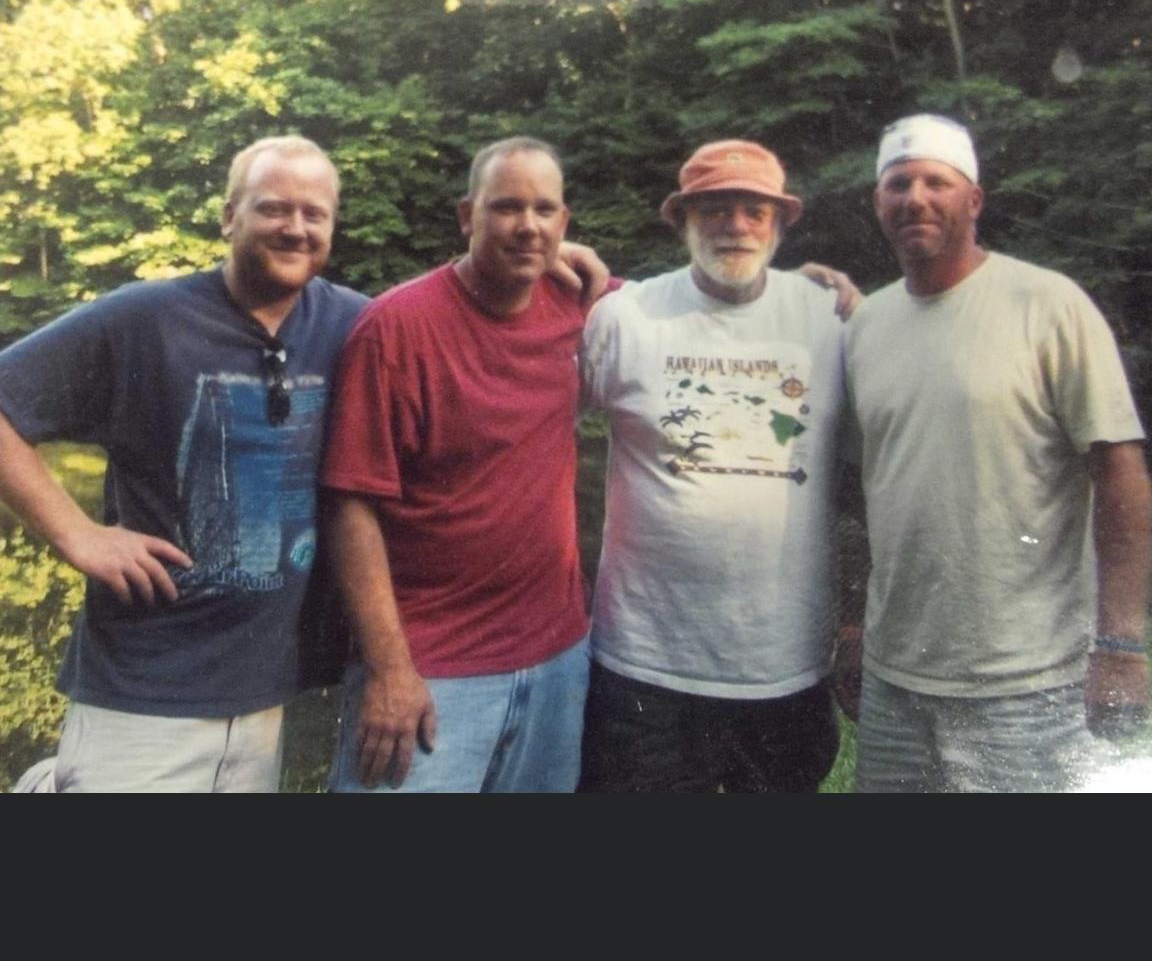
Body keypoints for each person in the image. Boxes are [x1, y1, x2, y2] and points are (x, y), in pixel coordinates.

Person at [0, 136, 369, 792]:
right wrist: (75, 533)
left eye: (314, 214)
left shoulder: (349, 323)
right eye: (273, 208)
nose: (295, 227)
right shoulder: (145, 319)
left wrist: (546, 266)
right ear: (229, 217)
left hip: (264, 694)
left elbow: (455, 316)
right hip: (142, 692)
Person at [837, 113, 1151, 793]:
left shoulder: (1048, 304)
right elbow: (867, 489)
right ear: (878, 203)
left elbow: (1121, 472)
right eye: (898, 184)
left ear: (974, 199)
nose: (916, 198)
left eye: (937, 182)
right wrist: (856, 625)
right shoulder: (866, 327)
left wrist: (1122, 644)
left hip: (1030, 683)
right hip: (896, 681)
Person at [321, 137, 602, 793]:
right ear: (466, 216)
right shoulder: (396, 328)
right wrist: (390, 670)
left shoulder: (579, 303)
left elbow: (690, 306)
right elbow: (349, 506)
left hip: (557, 661)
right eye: (506, 207)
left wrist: (818, 289)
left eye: (544, 210)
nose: (527, 226)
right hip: (432, 670)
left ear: (564, 223)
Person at [578, 140, 851, 792]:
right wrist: (542, 260)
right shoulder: (625, 317)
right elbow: (531, 420)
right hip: (646, 666)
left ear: (780, 225)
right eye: (715, 210)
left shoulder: (830, 319)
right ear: (681, 221)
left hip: (785, 667)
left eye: (755, 211)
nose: (735, 226)